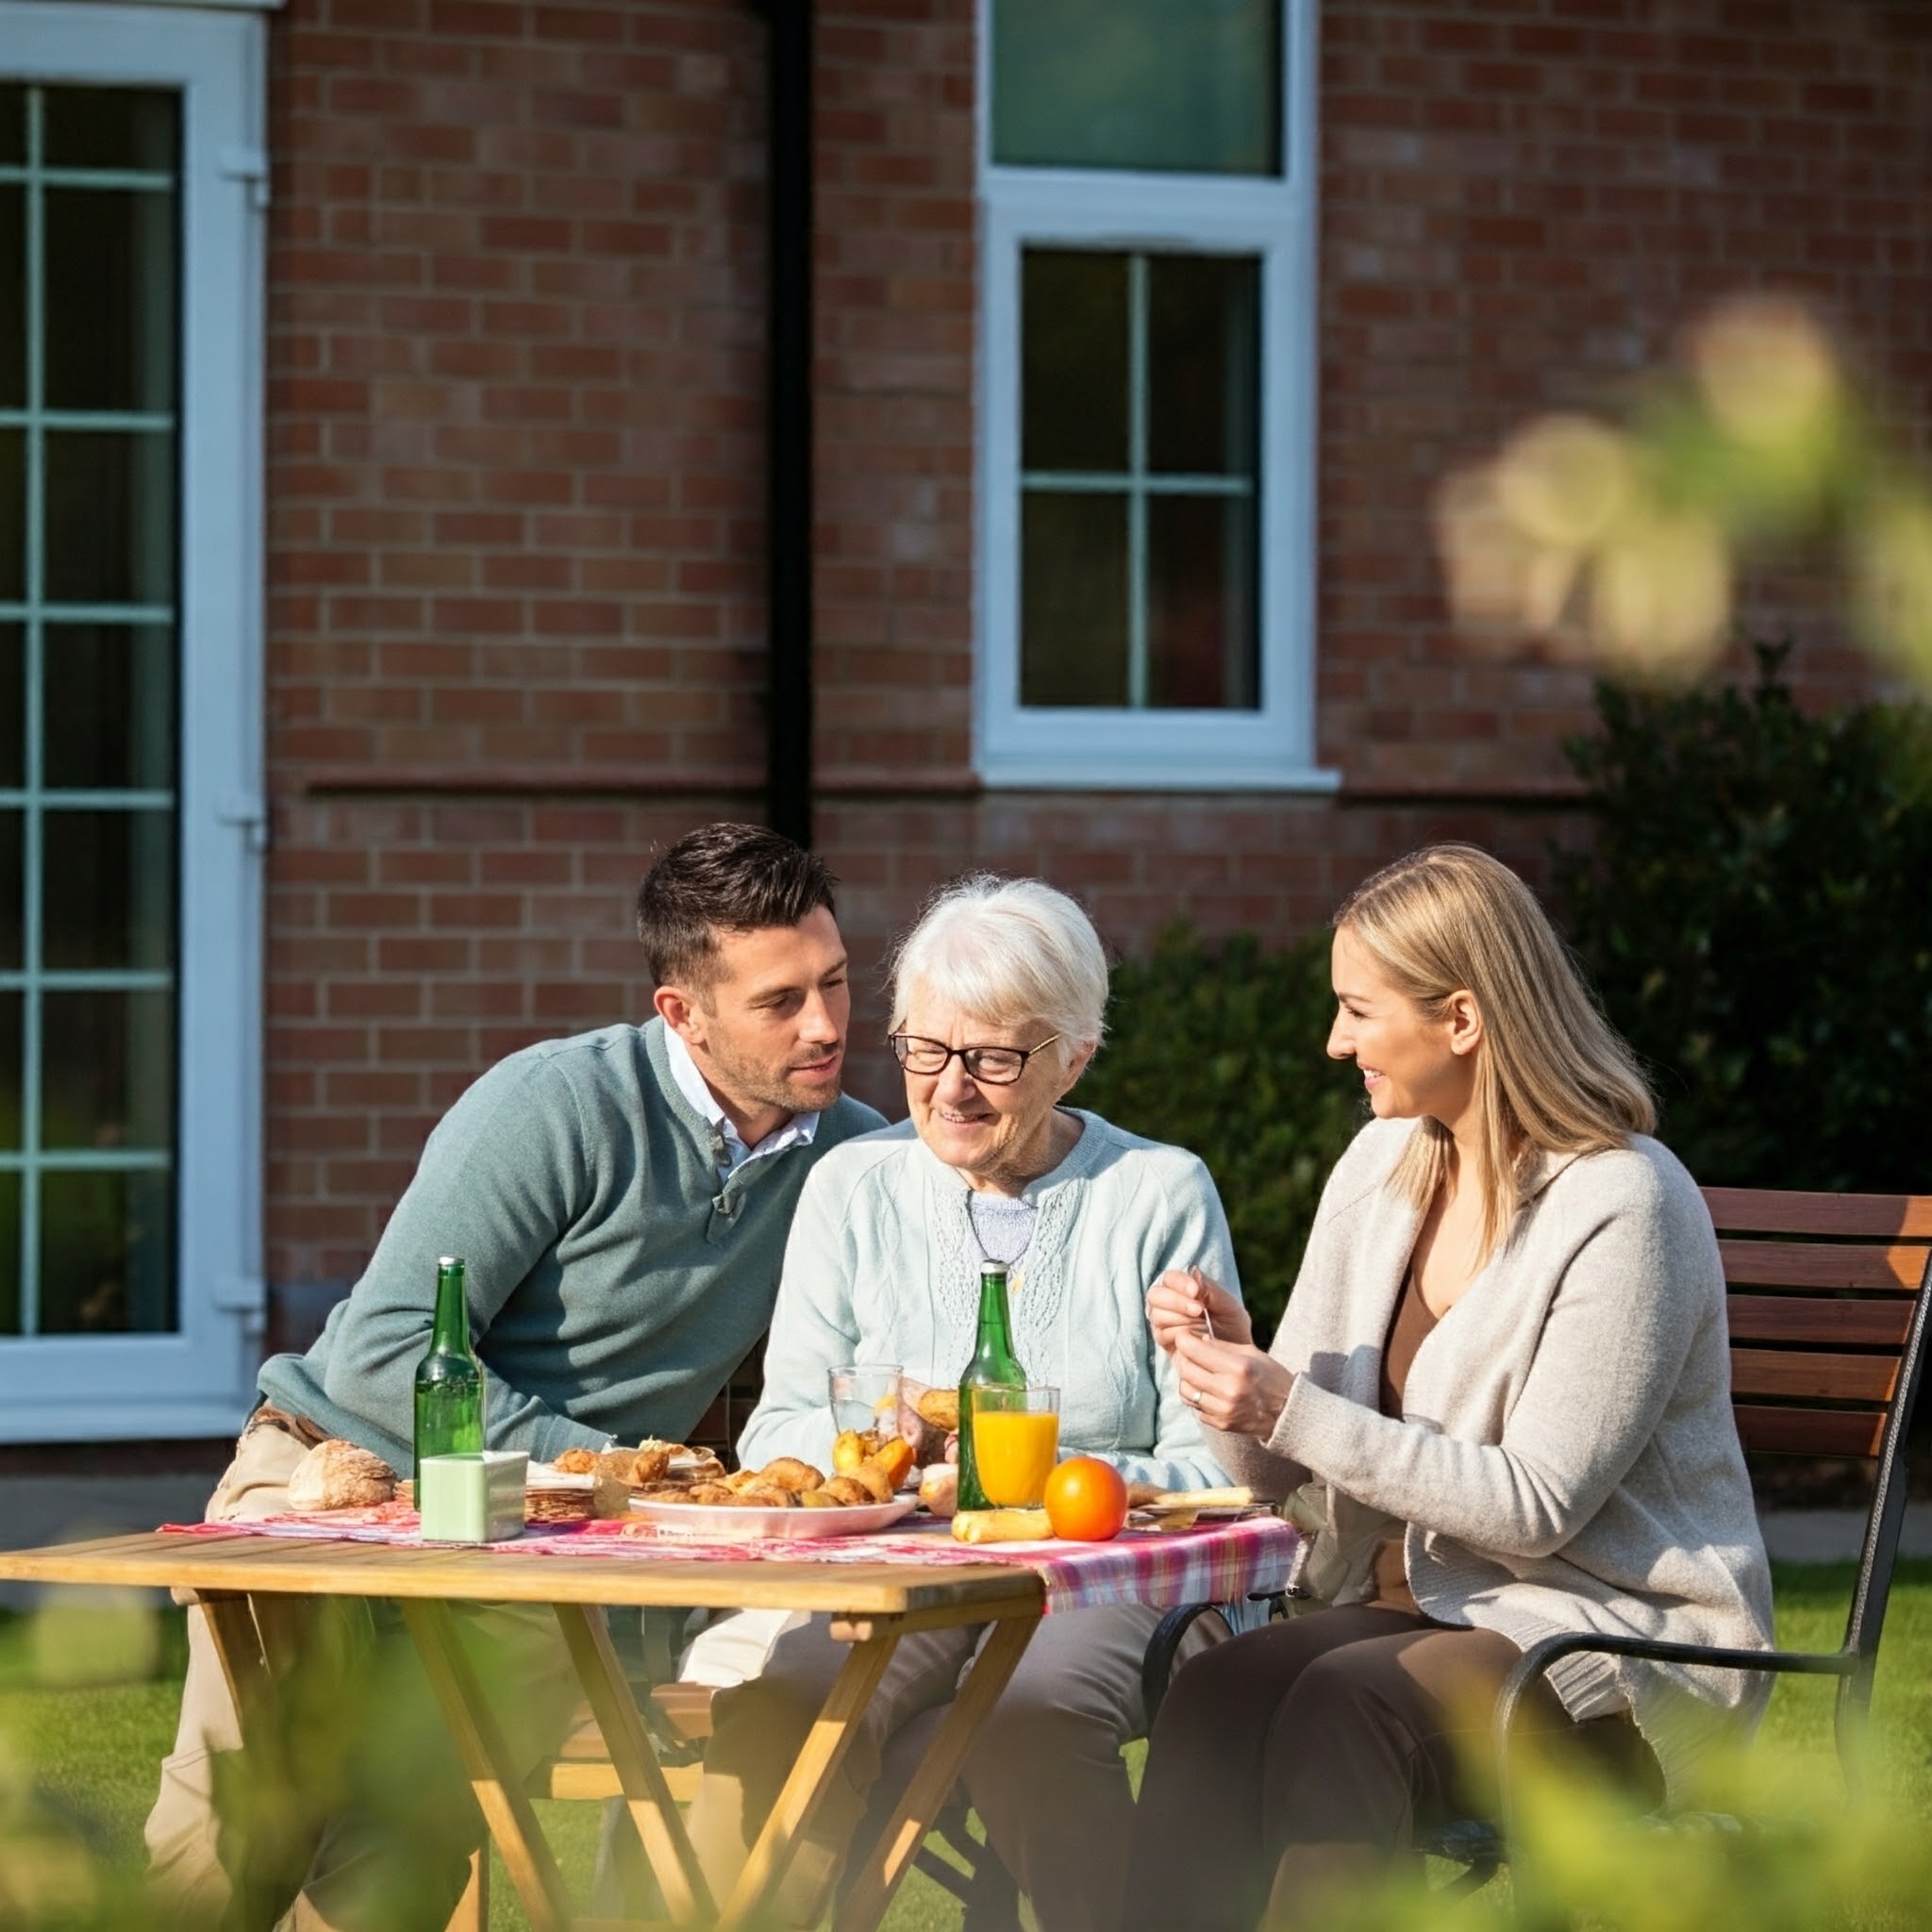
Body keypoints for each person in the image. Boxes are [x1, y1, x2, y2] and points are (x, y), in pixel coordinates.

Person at [145, 822, 886, 1932]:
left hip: (539, 1548)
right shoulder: (550, 1106)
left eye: (833, 983)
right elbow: (387, 1351)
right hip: (334, 1470)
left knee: (403, 1848)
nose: (826, 1024)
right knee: (235, 1824)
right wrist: (617, 1469)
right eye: (779, 1001)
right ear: (679, 1011)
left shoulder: (850, 1159)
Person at [1124, 843, 1774, 1932]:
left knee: (1344, 1708)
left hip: (1602, 1651)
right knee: (1216, 1689)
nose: (1334, 1041)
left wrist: (1287, 1400)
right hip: (1408, 1614)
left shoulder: (1624, 1205)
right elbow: (1284, 1463)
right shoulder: (1381, 1165)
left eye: (1357, 1010)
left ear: (1461, 1017)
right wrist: (1227, 1378)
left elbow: (1535, 1504)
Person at [680, 874, 1241, 1932]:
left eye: (991, 1058)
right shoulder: (856, 1183)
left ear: (1073, 1055)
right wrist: (878, 1443)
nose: (949, 1089)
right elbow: (783, 1427)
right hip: (901, 1563)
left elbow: (1211, 1464)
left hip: (1098, 1572)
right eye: (926, 1051)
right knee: (783, 1702)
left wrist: (1048, 1487)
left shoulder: (1156, 1193)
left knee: (1029, 1714)